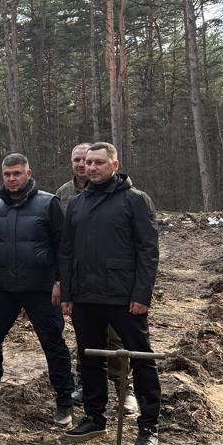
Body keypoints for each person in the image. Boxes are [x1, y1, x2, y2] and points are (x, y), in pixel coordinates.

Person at [59, 142, 162, 445]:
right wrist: (68, 293)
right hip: (85, 298)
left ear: (114, 166)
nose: (91, 168)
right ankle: (94, 418)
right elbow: (67, 252)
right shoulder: (77, 204)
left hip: (124, 297)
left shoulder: (135, 201)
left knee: (140, 357)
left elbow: (148, 252)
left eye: (99, 163)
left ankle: (148, 425)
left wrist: (141, 295)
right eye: (88, 163)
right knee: (90, 359)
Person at [0, 154, 76, 426]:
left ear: (28, 173)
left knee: (53, 343)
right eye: (7, 174)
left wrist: (60, 282)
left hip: (40, 288)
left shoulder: (48, 203)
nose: (12, 179)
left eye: (17, 173)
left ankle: (64, 400)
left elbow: (63, 246)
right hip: (4, 286)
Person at [59, 141, 136, 416]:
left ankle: (124, 391)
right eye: (78, 160)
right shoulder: (66, 195)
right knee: (87, 343)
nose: (83, 165)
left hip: (116, 285)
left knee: (117, 341)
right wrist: (63, 284)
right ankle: (90, 392)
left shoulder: (125, 194)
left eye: (88, 160)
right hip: (83, 283)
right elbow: (63, 244)